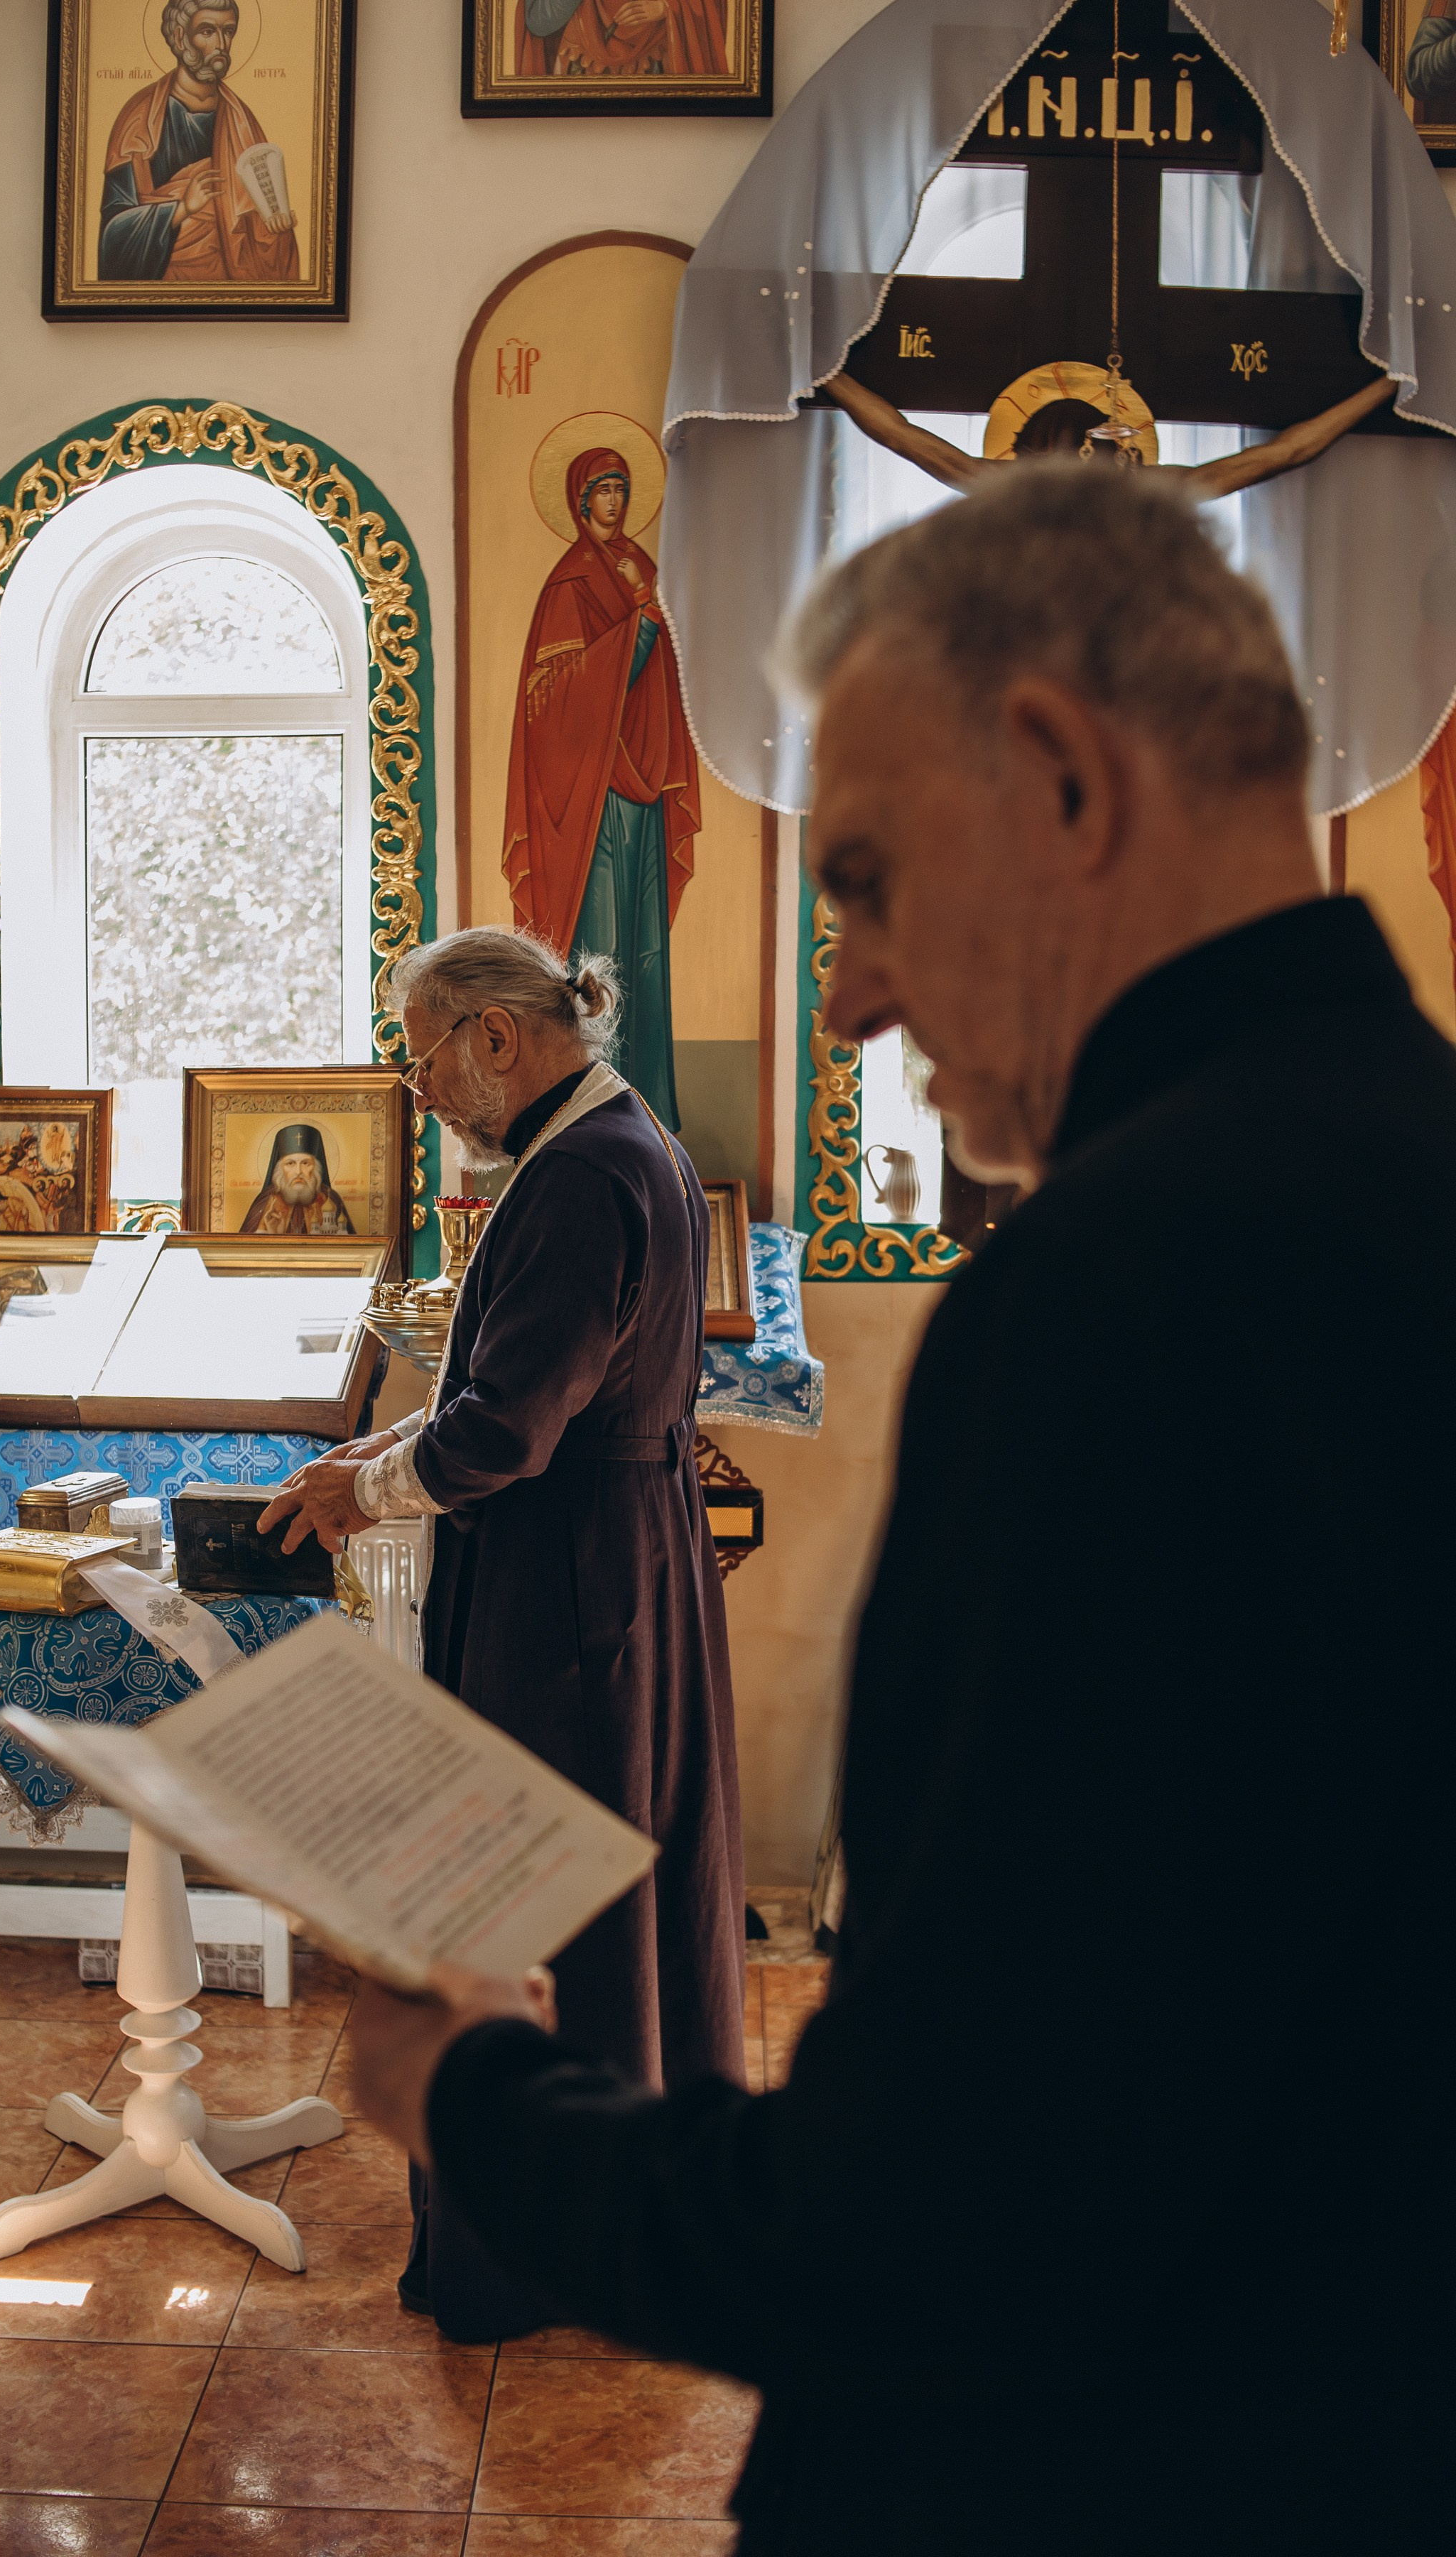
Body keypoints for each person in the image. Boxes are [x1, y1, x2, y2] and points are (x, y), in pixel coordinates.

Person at [342, 470, 1456, 2550]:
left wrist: (469, 2095)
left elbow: (930, 2214)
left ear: (1055, 777)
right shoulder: (1399, 1160)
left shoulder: (1132, 1279)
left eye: (854, 878)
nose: (842, 991)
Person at [258, 925, 744, 2341]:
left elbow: (511, 1434)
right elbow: (510, 1375)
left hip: (569, 1584)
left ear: (496, 1035)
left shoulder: (584, 1176)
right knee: (612, 1890)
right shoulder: (613, 1139)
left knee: (540, 1896)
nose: (418, 1090)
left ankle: (545, 2246)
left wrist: (367, 1486)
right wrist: (386, 1448)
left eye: (420, 1056)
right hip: (611, 1553)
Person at [504, 447, 702, 1131]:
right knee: (606, 952)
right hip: (591, 801)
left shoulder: (638, 570)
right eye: (602, 490)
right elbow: (561, 701)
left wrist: (650, 617)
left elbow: (660, 678)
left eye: (622, 488)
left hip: (641, 792)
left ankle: (653, 1108)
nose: (615, 502)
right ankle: (597, 1113)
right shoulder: (571, 583)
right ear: (580, 500)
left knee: (647, 953)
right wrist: (641, 626)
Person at [826, 359, 1397, 495]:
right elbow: (1284, 454)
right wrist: (1386, 386)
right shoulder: (1143, 496)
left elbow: (1285, 454)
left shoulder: (1005, 490)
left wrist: (1387, 385)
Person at [98, 0, 298, 286]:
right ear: (181, 37)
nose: (221, 44)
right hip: (165, 284)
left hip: (230, 285)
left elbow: (261, 224)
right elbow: (113, 236)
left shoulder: (242, 120)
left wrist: (276, 229)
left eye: (228, 31)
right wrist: (182, 208)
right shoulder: (139, 118)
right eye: (207, 31)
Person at [517, 0, 729, 79]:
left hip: (658, 54)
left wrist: (666, 6)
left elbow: (711, 6)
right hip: (581, 56)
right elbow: (538, 21)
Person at [238, 1122, 354, 1236]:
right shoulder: (266, 1202)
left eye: (305, 1163)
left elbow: (350, 1250)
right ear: (280, 1169)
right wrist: (272, 1234)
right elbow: (243, 1250)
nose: (298, 1172)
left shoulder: (330, 1199)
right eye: (290, 1164)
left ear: (316, 1167)